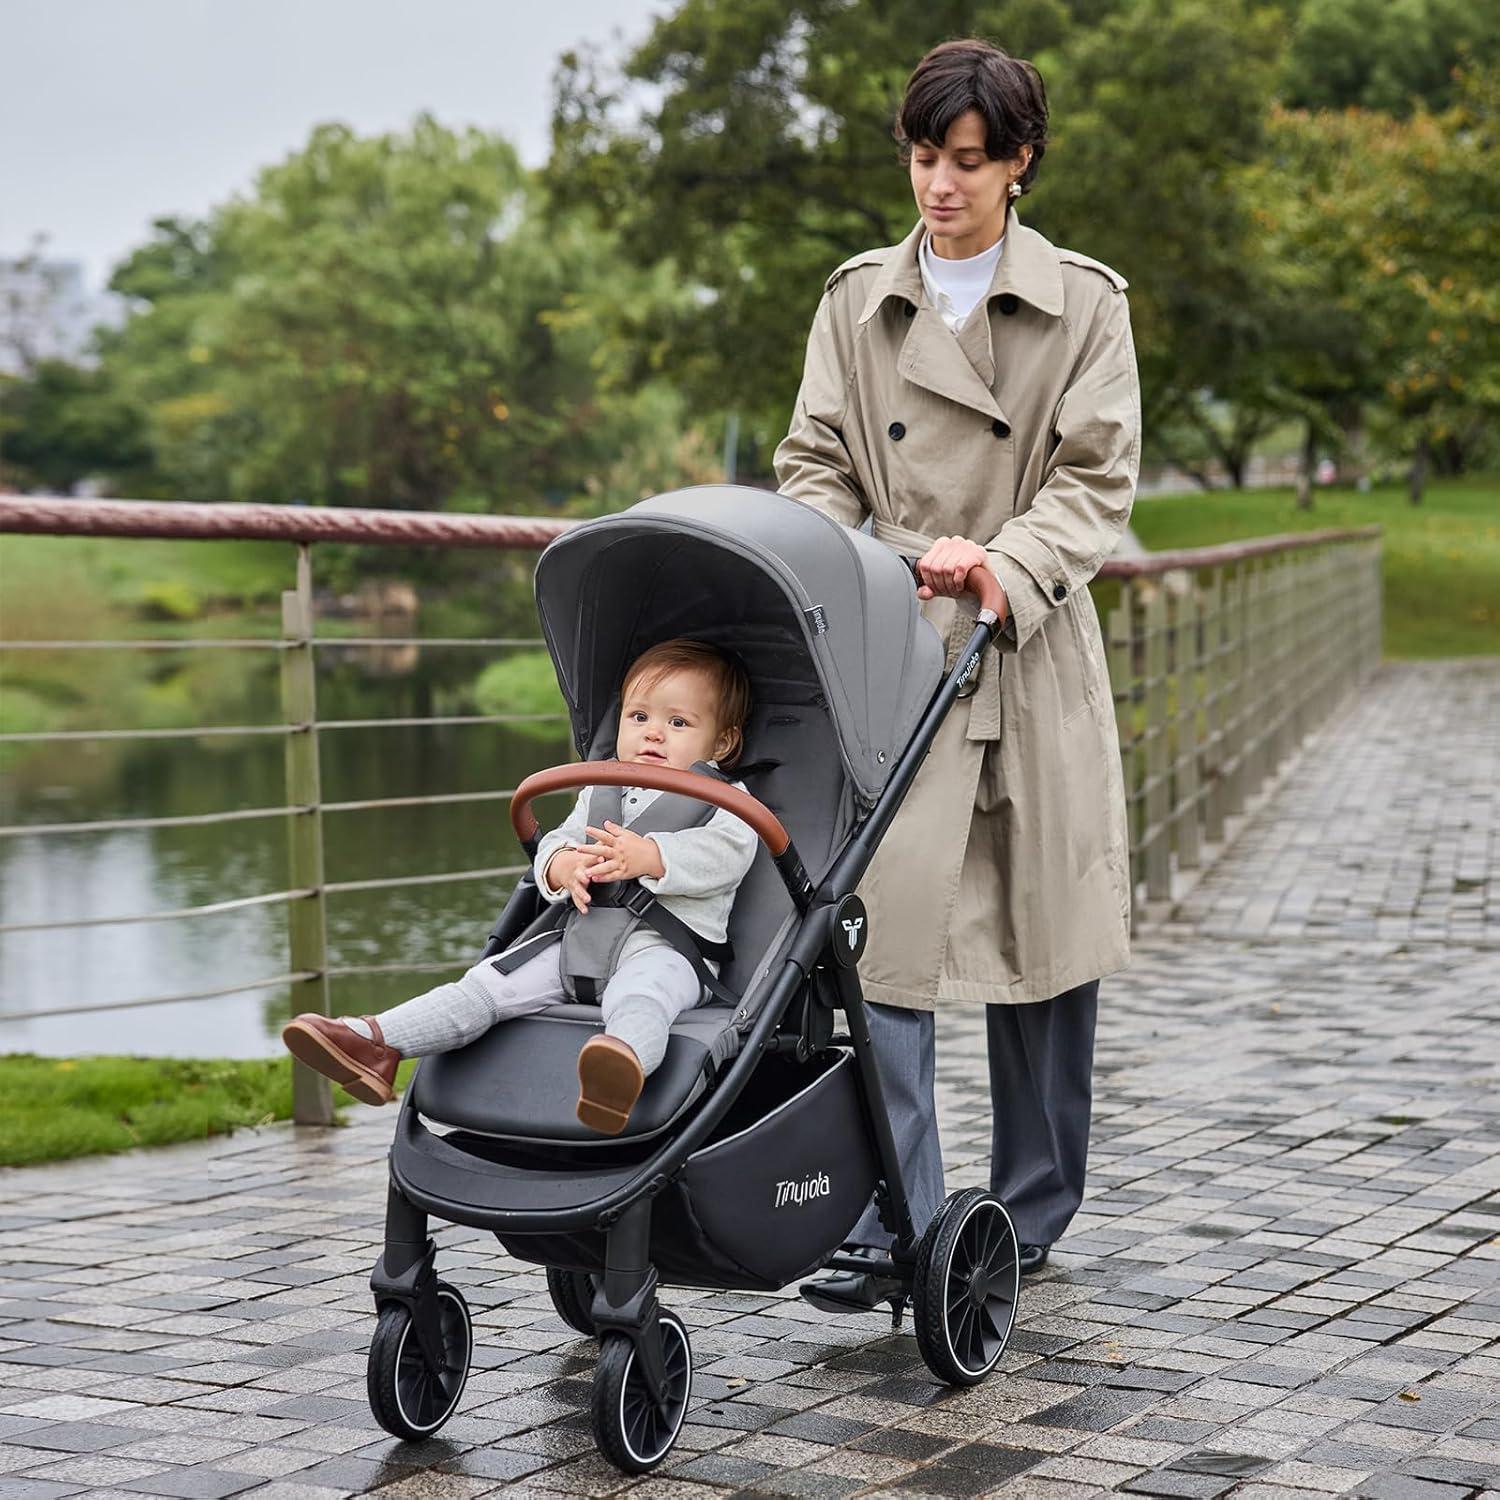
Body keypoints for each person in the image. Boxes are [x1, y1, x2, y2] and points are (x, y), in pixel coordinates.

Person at [776, 39, 1139, 1309]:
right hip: (897, 649)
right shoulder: (854, 302)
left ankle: (1030, 1215)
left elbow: (1096, 478)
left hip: (1029, 647)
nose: (941, 185)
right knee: (884, 944)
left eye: (969, 162)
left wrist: (1005, 563)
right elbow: (812, 464)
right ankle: (897, 1215)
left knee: (1046, 943)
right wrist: (897, 555)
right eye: (926, 158)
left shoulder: (1087, 302)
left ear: (1020, 162)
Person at [282, 639, 758, 1135]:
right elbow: (558, 841)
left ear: (721, 743)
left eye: (677, 723)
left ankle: (620, 1067)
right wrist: (563, 867)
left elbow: (727, 855)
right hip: (581, 943)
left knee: (642, 995)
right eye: (638, 717)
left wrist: (655, 856)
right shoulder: (603, 786)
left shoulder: (727, 801)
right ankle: (376, 1042)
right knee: (487, 984)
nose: (653, 734)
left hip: (668, 952)